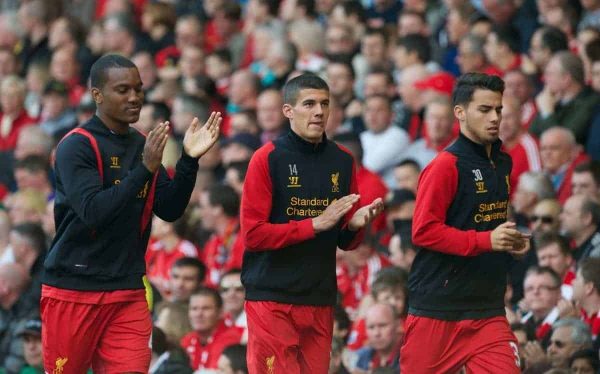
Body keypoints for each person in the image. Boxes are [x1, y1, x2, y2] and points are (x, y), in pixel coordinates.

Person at [40, 54, 221, 374]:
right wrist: (144, 169)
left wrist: (189, 161)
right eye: (123, 90)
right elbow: (94, 212)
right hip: (74, 288)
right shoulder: (76, 146)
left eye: (138, 89)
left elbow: (169, 208)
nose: (135, 97)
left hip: (127, 289)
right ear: (97, 95)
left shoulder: (142, 145)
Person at [240, 73, 384, 373]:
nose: (319, 111)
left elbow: (344, 241)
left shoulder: (342, 160)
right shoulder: (267, 159)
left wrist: (355, 226)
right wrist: (314, 224)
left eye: (324, 104)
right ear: (288, 111)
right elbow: (253, 235)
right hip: (272, 297)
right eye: (309, 104)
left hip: (319, 296)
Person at [401, 73, 531, 373]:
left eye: (498, 109)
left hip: (487, 309)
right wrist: (487, 241)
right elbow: (423, 232)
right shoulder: (445, 166)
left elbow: (486, 221)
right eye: (484, 110)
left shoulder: (503, 161)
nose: (495, 117)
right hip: (438, 309)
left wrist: (510, 242)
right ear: (460, 113)